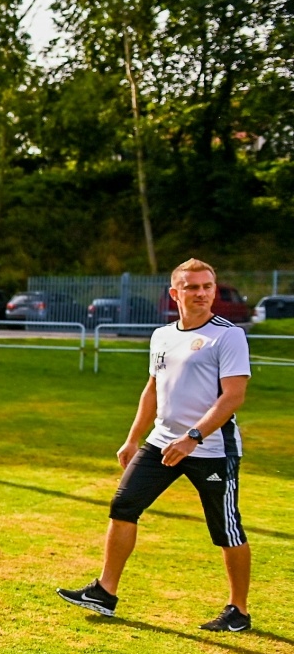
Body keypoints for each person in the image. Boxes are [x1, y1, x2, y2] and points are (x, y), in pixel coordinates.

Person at [57, 259, 256, 632]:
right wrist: (133, 438)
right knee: (124, 504)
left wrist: (193, 437)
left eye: (207, 287)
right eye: (192, 287)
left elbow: (232, 397)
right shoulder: (162, 336)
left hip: (212, 449)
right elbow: (152, 389)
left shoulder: (228, 336)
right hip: (162, 442)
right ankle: (104, 591)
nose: (201, 293)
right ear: (174, 293)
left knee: (225, 528)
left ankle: (238, 611)